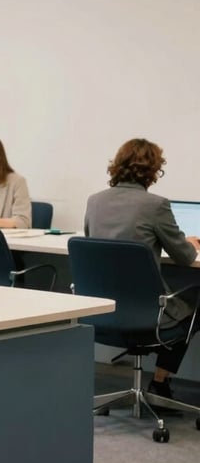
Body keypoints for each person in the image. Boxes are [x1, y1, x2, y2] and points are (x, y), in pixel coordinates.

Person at [84, 138, 200, 403]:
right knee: (197, 302)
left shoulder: (94, 201)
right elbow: (185, 257)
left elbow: (93, 243)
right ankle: (159, 382)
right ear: (153, 171)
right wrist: (189, 242)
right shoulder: (156, 205)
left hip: (103, 313)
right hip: (146, 316)